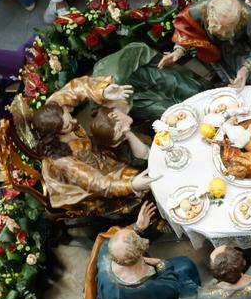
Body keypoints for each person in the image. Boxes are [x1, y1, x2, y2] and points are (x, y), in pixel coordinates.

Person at [29, 76, 158, 210]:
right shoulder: (62, 160)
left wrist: (102, 91)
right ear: (55, 133)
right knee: (141, 179)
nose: (75, 122)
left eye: (69, 115)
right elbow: (96, 183)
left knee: (132, 141)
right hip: (92, 176)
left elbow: (76, 88)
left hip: (96, 150)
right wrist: (131, 185)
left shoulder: (54, 108)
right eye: (67, 126)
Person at [95, 204, 203, 299]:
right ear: (139, 256)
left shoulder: (107, 249)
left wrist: (138, 227)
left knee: (185, 264)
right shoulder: (140, 288)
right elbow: (172, 290)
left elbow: (122, 241)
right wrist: (161, 265)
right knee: (196, 297)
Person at [161, 0, 251, 87]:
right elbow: (187, 30)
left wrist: (246, 69)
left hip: (245, 52)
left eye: (231, 26)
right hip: (217, 54)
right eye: (221, 26)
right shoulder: (198, 11)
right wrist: (179, 51)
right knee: (235, 89)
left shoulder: (249, 16)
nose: (225, 32)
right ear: (211, 14)